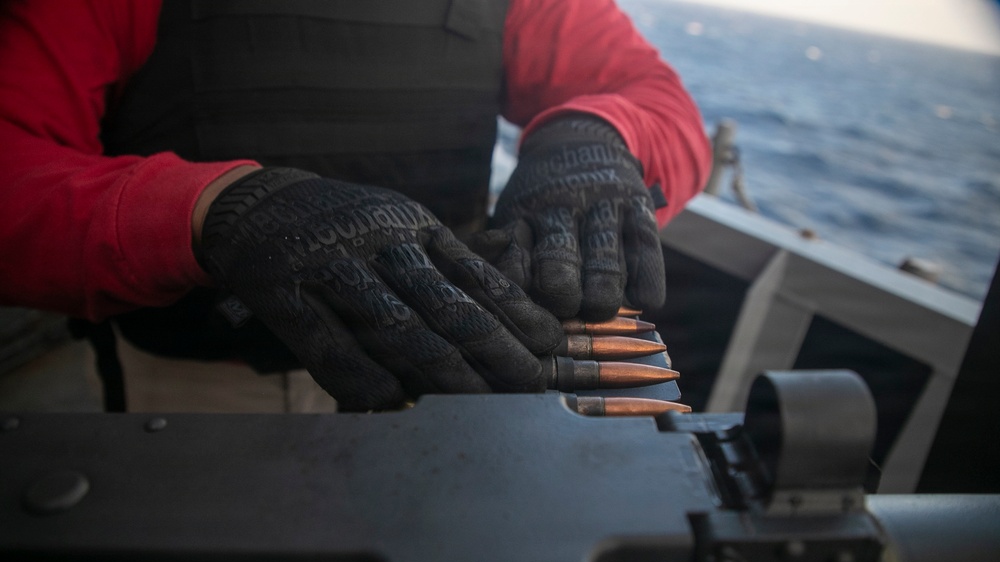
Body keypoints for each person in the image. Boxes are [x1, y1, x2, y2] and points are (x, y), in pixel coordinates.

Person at [0, 0, 711, 412]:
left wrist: (596, 136)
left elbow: (655, 99)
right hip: (195, 385)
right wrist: (220, 207)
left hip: (452, 362)